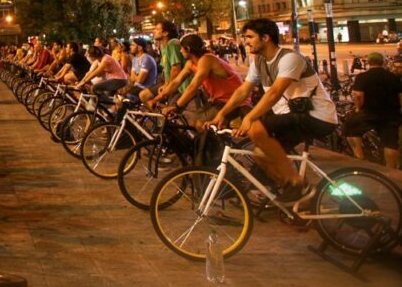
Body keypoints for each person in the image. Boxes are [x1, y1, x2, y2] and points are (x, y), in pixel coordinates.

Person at [212, 19, 338, 204]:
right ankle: (302, 199)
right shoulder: (259, 62)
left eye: (250, 37)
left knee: (256, 128)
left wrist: (250, 117)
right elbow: (242, 91)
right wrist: (221, 114)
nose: (245, 41)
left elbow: (274, 93)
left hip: (317, 116)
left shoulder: (290, 58)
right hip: (293, 117)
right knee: (260, 155)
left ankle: (297, 183)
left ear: (266, 37)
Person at [161, 34, 249, 128]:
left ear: (188, 49)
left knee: (199, 123)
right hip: (219, 100)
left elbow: (193, 86)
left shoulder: (206, 59)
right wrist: (158, 98)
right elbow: (176, 81)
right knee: (189, 118)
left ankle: (214, 142)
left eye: (182, 48)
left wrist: (176, 106)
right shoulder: (191, 63)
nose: (180, 51)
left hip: (233, 100)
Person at [342, 52, 401, 168]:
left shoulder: (362, 77)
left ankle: (360, 158)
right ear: (383, 62)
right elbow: (400, 97)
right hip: (391, 114)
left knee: (350, 128)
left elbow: (358, 95)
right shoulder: (393, 77)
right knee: (391, 143)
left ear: (369, 62)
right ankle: (391, 168)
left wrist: (358, 108)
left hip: (369, 113)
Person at [141, 21, 186, 105]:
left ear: (165, 33)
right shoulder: (162, 46)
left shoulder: (173, 43)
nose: (154, 31)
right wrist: (165, 84)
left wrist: (168, 86)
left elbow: (176, 68)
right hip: (170, 83)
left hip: (179, 85)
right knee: (144, 95)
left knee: (148, 97)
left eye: (157, 29)